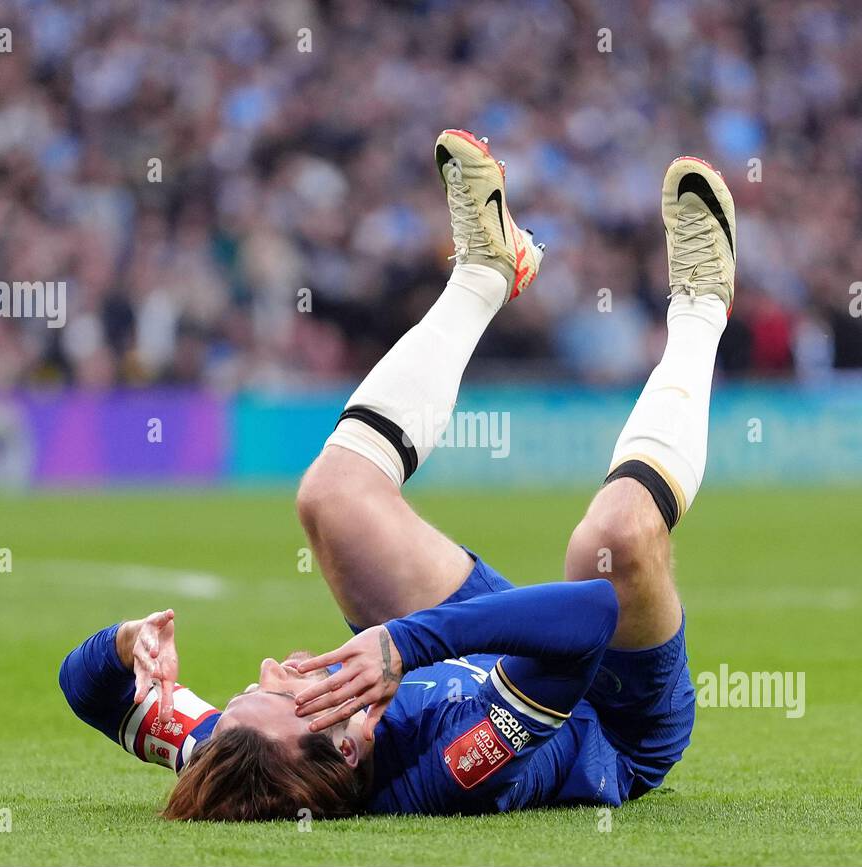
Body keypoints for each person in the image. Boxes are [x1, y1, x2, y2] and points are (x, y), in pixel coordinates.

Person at [59, 129, 736, 820]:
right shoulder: (453, 763)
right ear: (348, 747)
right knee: (612, 543)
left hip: (466, 657)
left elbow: (85, 689)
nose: (270, 670)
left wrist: (127, 642)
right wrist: (402, 642)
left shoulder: (244, 752)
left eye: (242, 693)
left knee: (331, 497)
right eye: (280, 697)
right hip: (606, 704)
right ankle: (702, 304)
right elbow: (589, 615)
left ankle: (484, 270)